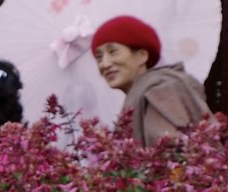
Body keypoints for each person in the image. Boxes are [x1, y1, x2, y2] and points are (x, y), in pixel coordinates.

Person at [90, 15, 211, 145]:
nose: (105, 64)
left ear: (142, 56)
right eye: (99, 57)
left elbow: (169, 154)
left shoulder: (160, 90)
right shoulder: (142, 92)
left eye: (113, 51)